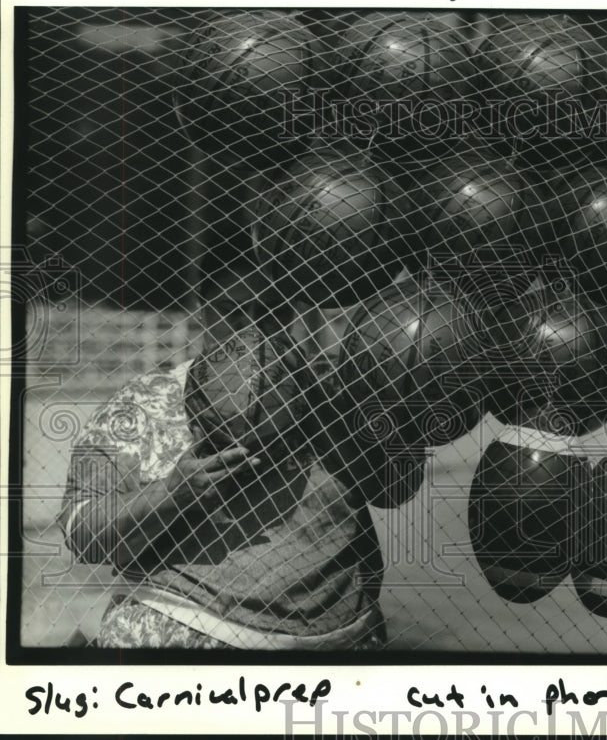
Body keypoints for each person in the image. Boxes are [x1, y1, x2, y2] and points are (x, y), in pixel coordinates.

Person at [58, 244, 386, 649]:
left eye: (271, 313)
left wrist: (352, 416)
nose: (253, 332)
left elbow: (395, 488)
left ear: (297, 315)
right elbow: (82, 531)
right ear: (204, 314)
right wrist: (170, 495)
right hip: (183, 624)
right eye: (233, 312)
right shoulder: (146, 400)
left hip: (336, 642)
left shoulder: (334, 397)